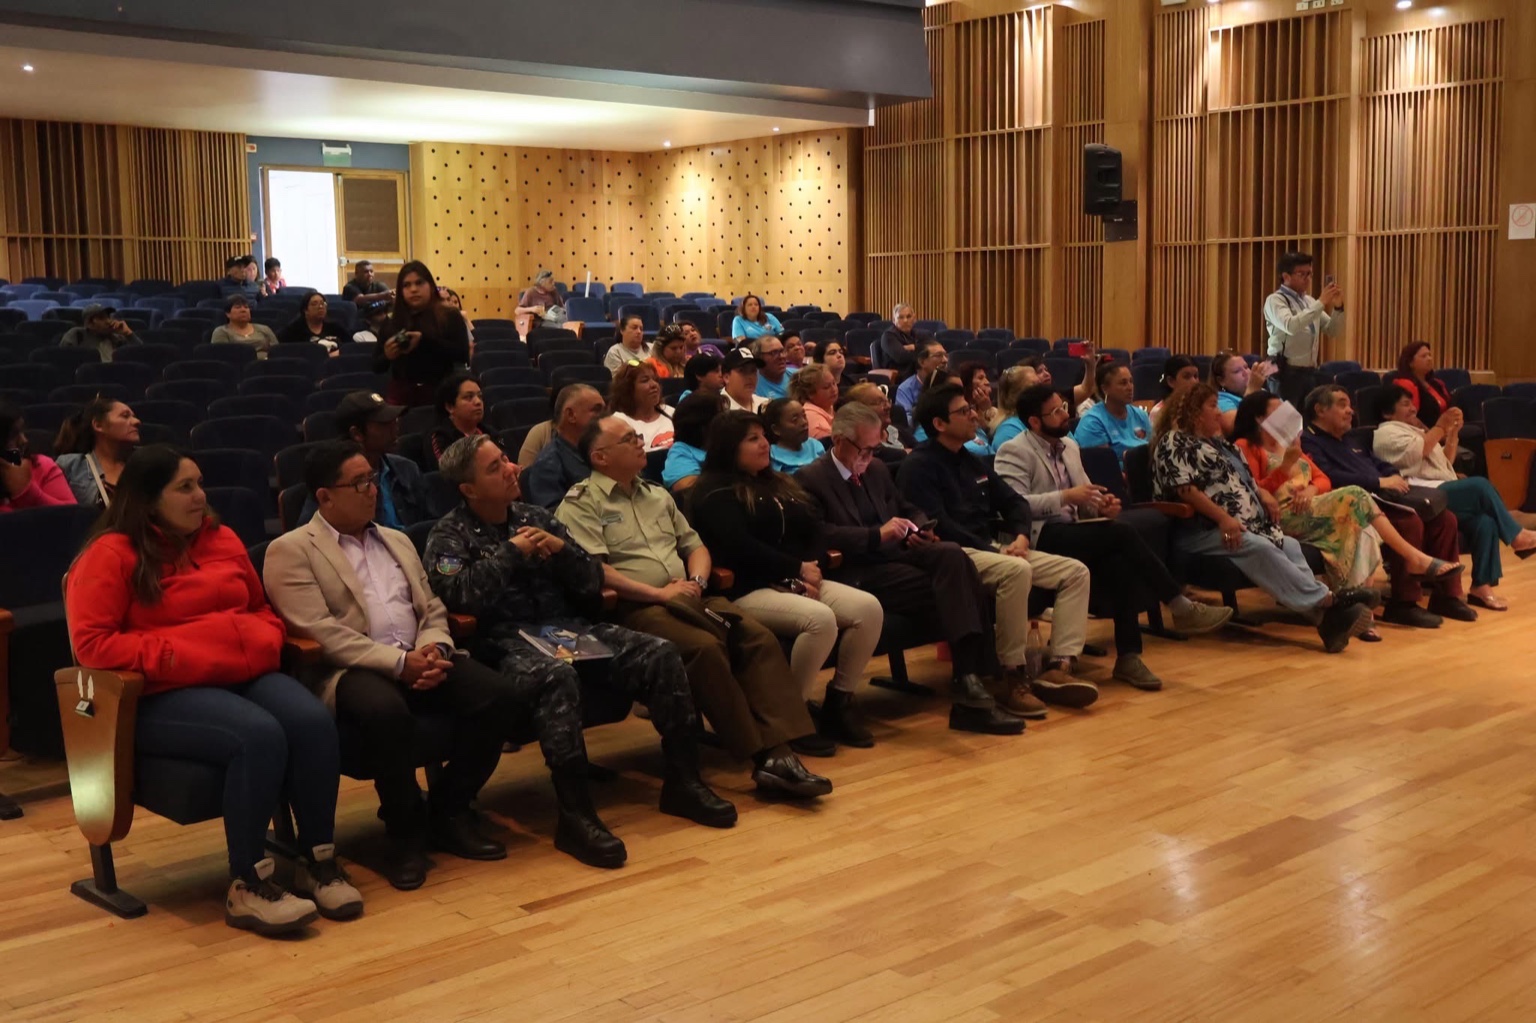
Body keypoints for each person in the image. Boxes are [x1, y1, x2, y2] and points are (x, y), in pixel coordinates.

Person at [65, 445, 361, 935]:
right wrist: (172, 657)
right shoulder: (109, 554)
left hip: (244, 674)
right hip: (161, 694)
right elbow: (92, 645)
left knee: (311, 721)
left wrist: (263, 638)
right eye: (185, 487)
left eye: (200, 483)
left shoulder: (220, 539)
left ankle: (317, 860)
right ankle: (247, 884)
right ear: (147, 498)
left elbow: (260, 608)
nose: (200, 495)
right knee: (258, 735)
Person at [426, 436, 740, 865]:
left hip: (569, 631)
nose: (511, 468)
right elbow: (459, 597)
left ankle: (684, 783)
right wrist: (510, 554)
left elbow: (592, 579)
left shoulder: (536, 516)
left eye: (506, 459)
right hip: (503, 645)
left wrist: (560, 552)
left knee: (660, 652)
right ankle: (576, 815)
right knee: (557, 675)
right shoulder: (448, 535)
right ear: (468, 489)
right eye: (495, 467)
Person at [263, 441, 514, 889]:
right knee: (385, 712)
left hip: (420, 652)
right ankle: (403, 833)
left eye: (372, 479)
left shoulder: (396, 539)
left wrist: (433, 648)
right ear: (324, 496)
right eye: (358, 482)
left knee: (497, 695)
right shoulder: (292, 550)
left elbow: (432, 608)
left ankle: (450, 810)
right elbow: (320, 631)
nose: (372, 489)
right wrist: (400, 663)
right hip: (350, 669)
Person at [556, 418, 832, 790]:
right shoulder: (581, 502)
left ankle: (782, 748)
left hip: (688, 594)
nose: (640, 443)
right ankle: (762, 755)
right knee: (704, 647)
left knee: (755, 636)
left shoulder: (657, 494)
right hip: (636, 607)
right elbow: (595, 570)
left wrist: (697, 582)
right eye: (629, 439)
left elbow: (695, 547)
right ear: (600, 457)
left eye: (638, 436)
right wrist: (659, 594)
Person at [797, 403, 1027, 734]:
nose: (870, 456)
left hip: (896, 557)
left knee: (951, 554)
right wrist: (878, 535)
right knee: (961, 587)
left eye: (876, 448)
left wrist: (921, 528)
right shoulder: (812, 478)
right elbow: (819, 535)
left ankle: (969, 681)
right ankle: (971, 687)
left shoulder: (875, 470)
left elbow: (907, 508)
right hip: (856, 569)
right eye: (865, 449)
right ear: (839, 440)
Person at [997, 385, 1235, 688]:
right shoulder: (1014, 450)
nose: (1064, 415)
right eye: (1055, 412)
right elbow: (1014, 505)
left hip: (1073, 531)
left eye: (1064, 408)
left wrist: (1102, 505)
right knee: (1124, 532)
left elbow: (1086, 495)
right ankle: (1178, 603)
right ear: (1034, 421)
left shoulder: (1069, 446)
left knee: (1121, 561)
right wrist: (1065, 496)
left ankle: (1129, 658)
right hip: (1038, 535)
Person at [898, 383, 1100, 711]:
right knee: (1016, 570)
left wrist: (1020, 536)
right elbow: (940, 525)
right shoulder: (918, 467)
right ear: (939, 424)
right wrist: (993, 550)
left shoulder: (970, 461)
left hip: (992, 548)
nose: (973, 414)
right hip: (953, 555)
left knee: (1074, 571)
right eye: (963, 411)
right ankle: (1013, 677)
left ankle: (1059, 667)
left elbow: (1015, 502)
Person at [692, 411, 884, 752]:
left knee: (867, 608)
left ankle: (839, 702)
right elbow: (738, 548)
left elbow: (812, 528)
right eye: (752, 438)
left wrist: (810, 566)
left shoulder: (776, 481)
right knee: (819, 620)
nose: (765, 443)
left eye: (764, 435)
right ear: (728, 447)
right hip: (745, 587)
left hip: (792, 578)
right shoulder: (712, 490)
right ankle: (791, 717)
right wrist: (796, 569)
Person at [1152, 384, 1378, 652]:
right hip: (1203, 530)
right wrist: (1224, 519)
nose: (1219, 411)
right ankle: (1330, 600)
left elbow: (1245, 480)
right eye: (1212, 405)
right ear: (1192, 411)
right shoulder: (1174, 441)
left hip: (1248, 525)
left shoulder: (1221, 446)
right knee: (1259, 546)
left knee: (1290, 545)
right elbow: (1185, 489)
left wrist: (1262, 494)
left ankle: (1326, 621)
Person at [1232, 392, 1463, 621]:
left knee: (1362, 529)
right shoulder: (1247, 446)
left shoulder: (1290, 444)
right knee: (1355, 494)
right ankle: (1415, 559)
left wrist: (1312, 489)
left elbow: (1323, 479)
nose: (1285, 414)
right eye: (1277, 411)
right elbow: (1252, 489)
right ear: (1259, 419)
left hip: (1311, 508)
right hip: (1280, 516)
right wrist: (1287, 466)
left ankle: (1360, 613)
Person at [1300, 384, 1474, 626]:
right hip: (1352, 507)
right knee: (1409, 522)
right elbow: (1329, 477)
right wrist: (1380, 481)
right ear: (1320, 410)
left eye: (1350, 405)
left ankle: (1447, 596)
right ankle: (1403, 603)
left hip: (1386, 496)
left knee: (1445, 519)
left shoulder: (1351, 439)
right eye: (1342, 404)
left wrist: (1394, 476)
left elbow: (1379, 463)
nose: (1350, 411)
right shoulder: (1309, 441)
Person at [1372, 383, 1536, 611]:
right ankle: (1517, 537)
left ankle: (1482, 586)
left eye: (1412, 403)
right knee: (1480, 485)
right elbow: (1417, 454)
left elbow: (1445, 466)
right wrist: (1439, 427)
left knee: (1484, 522)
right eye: (1405, 404)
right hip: (1417, 496)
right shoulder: (1385, 433)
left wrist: (1452, 435)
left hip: (1438, 489)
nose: (1412, 408)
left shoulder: (1416, 431)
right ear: (1387, 412)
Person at [297, 392, 429, 529]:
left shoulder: (407, 469)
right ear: (357, 434)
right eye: (384, 424)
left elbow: (428, 527)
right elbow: (308, 536)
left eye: (394, 421)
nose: (395, 428)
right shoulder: (333, 479)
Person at [374, 261, 470, 407]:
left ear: (431, 286)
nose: (413, 289)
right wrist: (387, 355)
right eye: (406, 285)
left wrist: (424, 341)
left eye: (419, 283)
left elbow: (462, 355)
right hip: (402, 396)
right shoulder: (392, 321)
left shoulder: (449, 315)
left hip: (440, 392)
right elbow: (376, 366)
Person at [1265, 251, 1344, 408]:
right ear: (1286, 276)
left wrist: (1338, 307)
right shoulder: (1275, 300)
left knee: (1307, 420)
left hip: (1308, 371)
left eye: (1310, 274)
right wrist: (1321, 302)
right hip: (1284, 371)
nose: (1307, 279)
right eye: (1302, 274)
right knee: (1285, 422)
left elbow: (1332, 330)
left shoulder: (1309, 301)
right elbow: (1291, 326)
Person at [521, 383, 606, 508]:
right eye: (596, 410)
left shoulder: (606, 450)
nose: (605, 417)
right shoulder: (548, 464)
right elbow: (554, 519)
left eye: (605, 410)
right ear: (571, 415)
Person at [54, 397, 140, 508]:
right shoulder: (71, 466)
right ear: (98, 425)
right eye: (125, 416)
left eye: (134, 416)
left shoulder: (149, 461)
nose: (137, 421)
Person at [1071, 362, 1153, 465]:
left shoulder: (1141, 415)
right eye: (1123, 383)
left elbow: (1153, 451)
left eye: (1131, 381)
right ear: (1105, 389)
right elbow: (1105, 468)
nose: (1130, 387)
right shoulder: (1092, 422)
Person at [0, 402, 75, 511]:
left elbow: (73, 517)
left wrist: (28, 492)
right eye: (13, 435)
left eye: (22, 431)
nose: (24, 440)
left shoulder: (41, 465)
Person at [1386, 341, 1454, 430]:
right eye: (1424, 356)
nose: (1429, 359)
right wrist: (1434, 434)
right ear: (1411, 363)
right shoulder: (1406, 384)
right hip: (1424, 433)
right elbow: (1410, 418)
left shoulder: (1437, 383)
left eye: (1429, 355)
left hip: (1445, 429)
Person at [609, 362, 674, 452]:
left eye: (655, 379)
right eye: (645, 380)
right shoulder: (618, 422)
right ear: (628, 389)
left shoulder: (671, 412)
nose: (654, 385)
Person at [662, 392, 720, 493]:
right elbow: (688, 492)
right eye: (721, 417)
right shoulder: (680, 451)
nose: (728, 421)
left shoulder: (724, 445)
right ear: (704, 426)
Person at [427, 372, 486, 470]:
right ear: (450, 407)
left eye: (480, 396)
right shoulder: (440, 438)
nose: (478, 402)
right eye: (469, 397)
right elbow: (450, 474)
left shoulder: (490, 433)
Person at [1210, 351, 1276, 434]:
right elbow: (1234, 427)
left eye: (1246, 367)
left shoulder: (1261, 391)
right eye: (1237, 371)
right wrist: (1252, 390)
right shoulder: (1221, 400)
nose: (1246, 373)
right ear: (1221, 381)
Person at [844, 381, 913, 455]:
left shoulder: (898, 431)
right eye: (880, 402)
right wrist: (905, 453)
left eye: (887, 401)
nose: (888, 406)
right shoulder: (862, 445)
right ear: (860, 409)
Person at [59, 304, 138, 362]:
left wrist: (129, 334)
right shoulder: (77, 334)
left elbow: (141, 355)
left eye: (108, 317)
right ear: (89, 323)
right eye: (101, 318)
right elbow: (64, 358)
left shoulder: (117, 338)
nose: (108, 321)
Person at [761, 398, 820, 475]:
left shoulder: (814, 445)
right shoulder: (772, 456)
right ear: (776, 429)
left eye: (804, 416)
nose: (804, 422)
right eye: (795, 420)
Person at [991, 364, 1040, 451]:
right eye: (1034, 386)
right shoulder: (1008, 431)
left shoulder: (1044, 417)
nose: (1042, 390)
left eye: (1040, 385)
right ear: (1016, 395)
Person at [210, 295, 277, 357]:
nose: (243, 310)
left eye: (246, 307)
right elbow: (222, 356)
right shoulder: (221, 331)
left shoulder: (264, 328)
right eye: (238, 307)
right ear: (228, 314)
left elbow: (276, 351)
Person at [894, 340, 948, 417]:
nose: (945, 360)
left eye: (946, 355)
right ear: (922, 362)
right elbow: (906, 420)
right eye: (939, 355)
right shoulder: (906, 389)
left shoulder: (950, 383)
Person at [278, 292, 347, 351]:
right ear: (305, 310)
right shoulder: (294, 330)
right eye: (314, 304)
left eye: (323, 303)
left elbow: (349, 347)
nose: (320, 307)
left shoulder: (335, 327)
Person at [789, 363, 838, 440]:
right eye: (826, 387)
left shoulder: (828, 405)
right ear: (810, 393)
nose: (834, 389)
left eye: (834, 383)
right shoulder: (813, 419)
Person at [1150, 354, 1201, 424]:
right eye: (1187, 377)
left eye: (1195, 376)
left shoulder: (1202, 407)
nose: (1194, 381)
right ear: (1171, 381)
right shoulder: (1159, 412)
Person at [722, 348, 769, 413]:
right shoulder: (717, 408)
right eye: (742, 371)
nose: (750, 377)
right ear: (726, 377)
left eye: (753, 371)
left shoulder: (765, 405)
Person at [751, 334, 797, 401]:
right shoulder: (752, 385)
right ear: (759, 358)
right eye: (774, 353)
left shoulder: (798, 376)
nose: (782, 357)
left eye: (782, 351)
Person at [878, 304, 920, 371]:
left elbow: (931, 349)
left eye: (909, 316)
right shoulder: (888, 336)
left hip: (916, 372)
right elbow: (901, 357)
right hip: (899, 376)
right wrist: (920, 350)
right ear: (894, 320)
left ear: (914, 319)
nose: (905, 320)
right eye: (900, 317)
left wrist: (913, 347)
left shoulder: (917, 333)